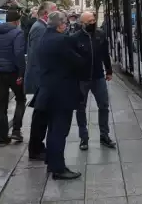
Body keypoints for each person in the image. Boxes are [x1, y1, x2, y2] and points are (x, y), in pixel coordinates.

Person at [35, 11, 83, 180]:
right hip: (61, 92)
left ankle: (51, 161)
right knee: (59, 131)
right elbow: (78, 62)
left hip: (48, 91)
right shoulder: (61, 40)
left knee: (52, 128)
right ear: (61, 25)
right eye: (65, 23)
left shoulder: (44, 38)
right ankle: (58, 168)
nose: (66, 26)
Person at [73, 11, 116, 151]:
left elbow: (105, 54)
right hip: (81, 78)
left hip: (98, 76)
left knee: (103, 106)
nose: (92, 23)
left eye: (93, 20)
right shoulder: (75, 38)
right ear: (82, 24)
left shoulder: (100, 34)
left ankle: (104, 135)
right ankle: (83, 138)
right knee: (80, 109)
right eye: (89, 21)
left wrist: (109, 70)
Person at [0, 9, 27, 145]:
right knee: (21, 99)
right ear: (16, 22)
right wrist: (21, 73)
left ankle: (3, 138)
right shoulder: (17, 33)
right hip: (13, 72)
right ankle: (16, 130)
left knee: (1, 105)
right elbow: (19, 54)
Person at [25, 1, 56, 161]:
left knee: (41, 115)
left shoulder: (41, 27)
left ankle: (37, 146)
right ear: (46, 14)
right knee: (40, 116)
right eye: (54, 12)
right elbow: (38, 56)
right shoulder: (39, 28)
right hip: (41, 79)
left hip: (42, 78)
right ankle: (35, 148)